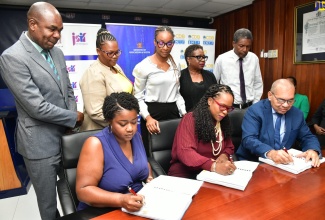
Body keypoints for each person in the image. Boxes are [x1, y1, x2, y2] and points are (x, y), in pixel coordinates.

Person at [0, 2, 84, 219]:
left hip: (67, 137)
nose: (57, 35)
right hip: (39, 145)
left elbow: (67, 90)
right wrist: (72, 117)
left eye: (60, 30)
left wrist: (70, 122)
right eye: (52, 29)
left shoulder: (57, 53)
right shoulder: (13, 57)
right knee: (48, 205)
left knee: (75, 191)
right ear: (33, 24)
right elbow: (36, 107)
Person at [76, 92, 152, 211]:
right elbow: (83, 191)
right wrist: (121, 200)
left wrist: (149, 178)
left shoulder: (137, 137)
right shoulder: (95, 144)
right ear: (109, 121)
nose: (130, 129)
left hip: (136, 207)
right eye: (122, 124)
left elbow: (143, 164)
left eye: (133, 122)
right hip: (102, 211)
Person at [236, 79, 321, 167]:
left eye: (290, 101)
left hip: (283, 165)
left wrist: (312, 150)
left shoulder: (296, 114)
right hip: (254, 162)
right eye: (281, 100)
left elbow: (307, 136)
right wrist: (271, 153)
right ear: (270, 95)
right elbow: (249, 139)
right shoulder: (255, 111)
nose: (286, 105)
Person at [133, 25, 186, 155]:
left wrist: (184, 114)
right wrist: (148, 117)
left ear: (173, 43)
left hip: (173, 113)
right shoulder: (143, 66)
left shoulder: (176, 65)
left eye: (169, 43)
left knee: (175, 152)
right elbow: (137, 97)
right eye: (161, 43)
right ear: (155, 43)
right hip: (153, 115)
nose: (165, 47)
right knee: (153, 153)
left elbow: (177, 93)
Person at [168, 84, 237, 179]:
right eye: (222, 106)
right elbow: (186, 153)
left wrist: (224, 156)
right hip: (187, 175)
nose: (225, 112)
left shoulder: (223, 121)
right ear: (210, 101)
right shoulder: (190, 119)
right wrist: (214, 166)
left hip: (211, 175)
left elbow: (229, 146)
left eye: (229, 108)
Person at [79, 28, 133, 131]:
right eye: (110, 53)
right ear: (98, 51)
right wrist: (122, 124)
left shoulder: (115, 67)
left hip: (119, 129)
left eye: (117, 52)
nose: (115, 56)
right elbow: (96, 112)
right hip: (101, 133)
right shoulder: (93, 73)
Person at [213, 28, 263, 109]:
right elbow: (214, 83)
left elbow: (258, 83)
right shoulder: (222, 59)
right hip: (229, 107)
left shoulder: (254, 58)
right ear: (233, 44)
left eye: (248, 46)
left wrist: (255, 103)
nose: (245, 50)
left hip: (249, 107)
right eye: (241, 46)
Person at [180, 44, 217, 112]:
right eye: (199, 57)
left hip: (208, 116)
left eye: (204, 57)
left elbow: (216, 96)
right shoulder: (180, 76)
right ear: (188, 59)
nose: (203, 60)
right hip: (188, 117)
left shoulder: (210, 75)